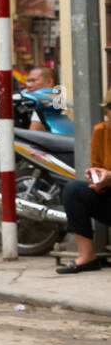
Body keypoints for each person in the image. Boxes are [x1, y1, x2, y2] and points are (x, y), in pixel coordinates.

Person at [56, 88, 111, 274]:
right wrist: (98, 179)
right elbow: (98, 166)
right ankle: (87, 257)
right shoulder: (102, 131)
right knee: (74, 190)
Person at [25, 66, 58, 131]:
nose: (29, 85)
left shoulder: (44, 105)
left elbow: (32, 136)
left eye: (33, 80)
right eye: (28, 81)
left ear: (49, 82)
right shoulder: (58, 100)